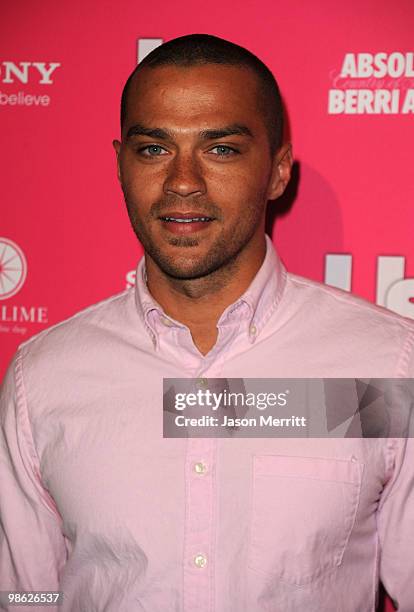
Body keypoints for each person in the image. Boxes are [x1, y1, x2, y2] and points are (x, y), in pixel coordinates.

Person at [0, 33, 413, 612]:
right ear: (119, 165)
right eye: (153, 149)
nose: (183, 181)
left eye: (220, 149)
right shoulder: (40, 380)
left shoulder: (385, 362)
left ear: (277, 171)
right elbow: (25, 596)